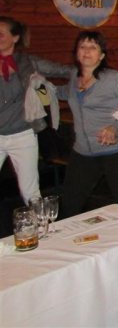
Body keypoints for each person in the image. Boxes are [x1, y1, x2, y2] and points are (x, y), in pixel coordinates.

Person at [58, 31, 118, 216]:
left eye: (93, 47)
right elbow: (63, 93)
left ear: (101, 55)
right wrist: (39, 88)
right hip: (83, 152)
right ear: (76, 52)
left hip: (117, 151)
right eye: (82, 47)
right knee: (69, 204)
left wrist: (115, 128)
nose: (86, 51)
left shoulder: (114, 79)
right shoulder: (74, 76)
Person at [0, 16, 70, 204]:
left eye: (1, 34)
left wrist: (91, 78)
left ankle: (39, 222)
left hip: (22, 134)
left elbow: (64, 70)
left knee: (30, 191)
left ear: (15, 38)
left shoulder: (28, 62)